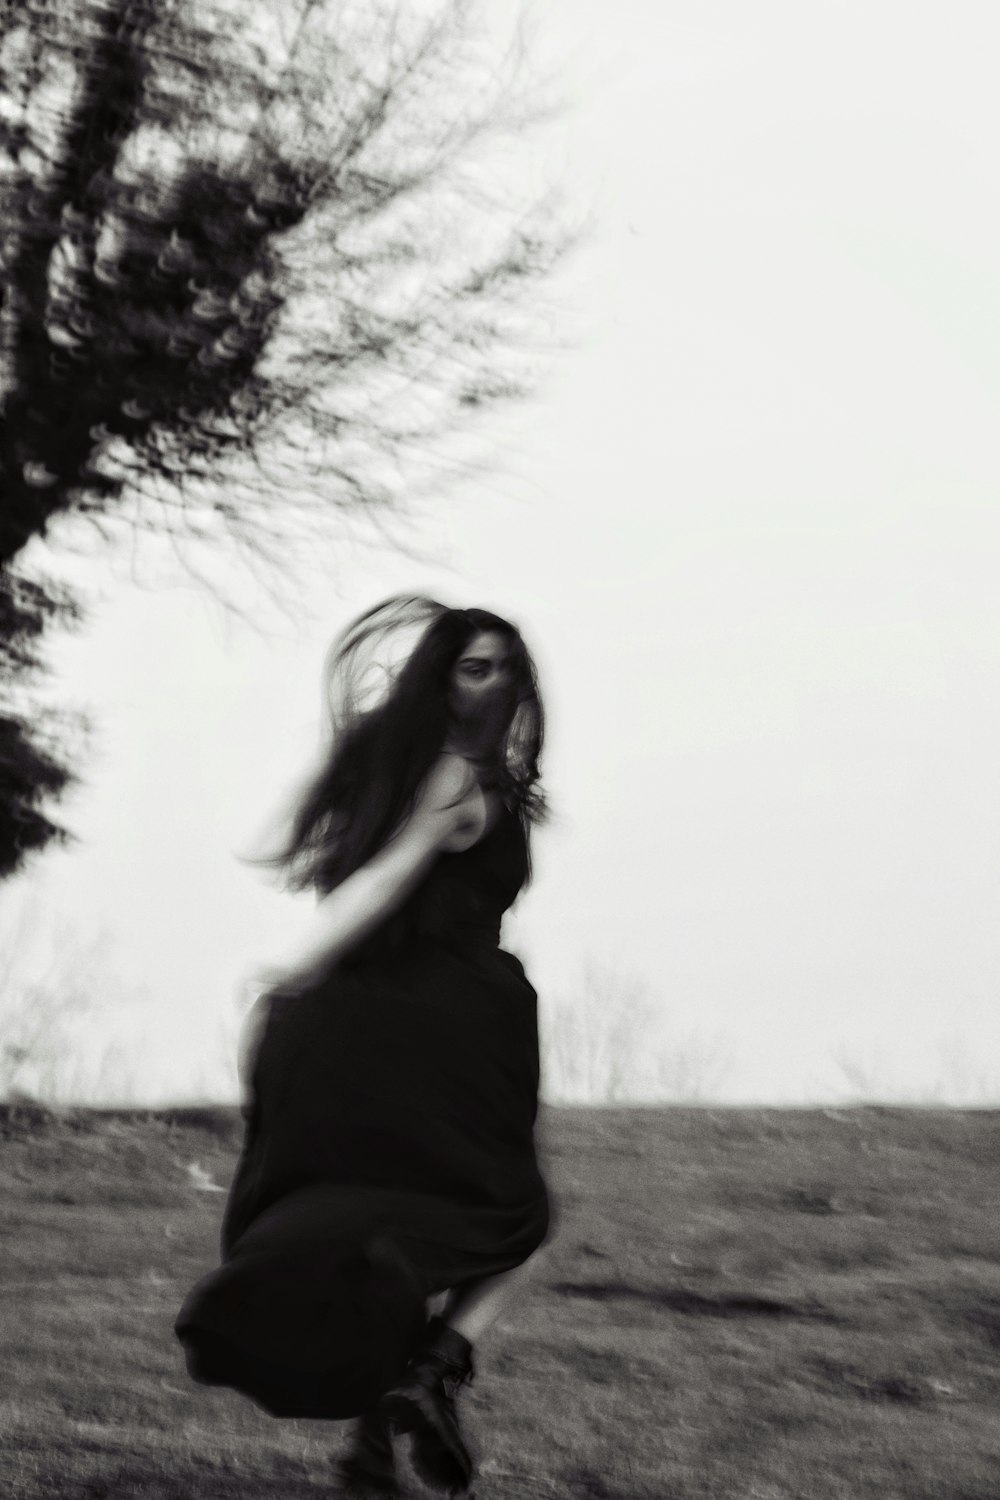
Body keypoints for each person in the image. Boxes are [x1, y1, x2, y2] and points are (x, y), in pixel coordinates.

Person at [175, 595, 551, 1498]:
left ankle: (373, 1450)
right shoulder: (457, 780)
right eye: (473, 664)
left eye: (506, 664)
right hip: (444, 1027)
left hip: (368, 1022)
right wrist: (290, 966)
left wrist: (298, 982)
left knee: (393, 1233)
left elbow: (385, 883)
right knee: (514, 1224)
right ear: (441, 679)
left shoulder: (436, 770)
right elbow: (384, 883)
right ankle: (428, 1375)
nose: (495, 680)